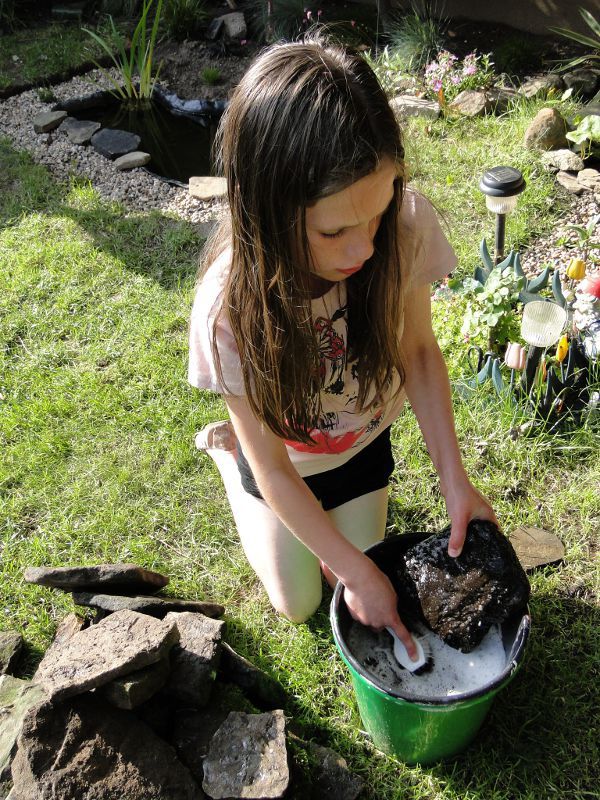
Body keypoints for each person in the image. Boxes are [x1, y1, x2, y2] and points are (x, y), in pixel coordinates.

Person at [188, 36, 497, 660]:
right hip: (283, 459)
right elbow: (275, 470)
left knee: (358, 565)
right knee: (299, 601)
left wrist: (454, 479)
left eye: (376, 216)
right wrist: (352, 571)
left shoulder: (404, 228)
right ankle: (229, 452)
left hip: (360, 440)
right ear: (268, 214)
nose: (364, 250)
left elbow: (417, 352)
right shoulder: (228, 310)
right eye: (334, 231)